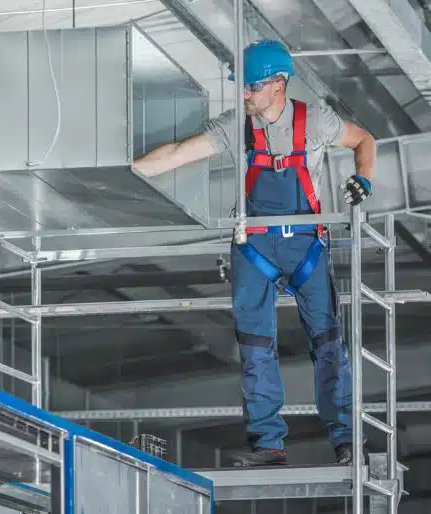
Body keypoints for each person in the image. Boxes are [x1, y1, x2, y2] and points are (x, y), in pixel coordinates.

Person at [132, 39, 376, 467]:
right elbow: (177, 154)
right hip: (254, 244)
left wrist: (365, 181)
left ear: (279, 84)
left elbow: (365, 141)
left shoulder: (315, 120)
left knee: (328, 341)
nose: (244, 95)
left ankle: (346, 439)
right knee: (256, 345)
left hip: (306, 245)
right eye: (242, 88)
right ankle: (268, 443)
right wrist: (122, 168)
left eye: (251, 87)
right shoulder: (236, 126)